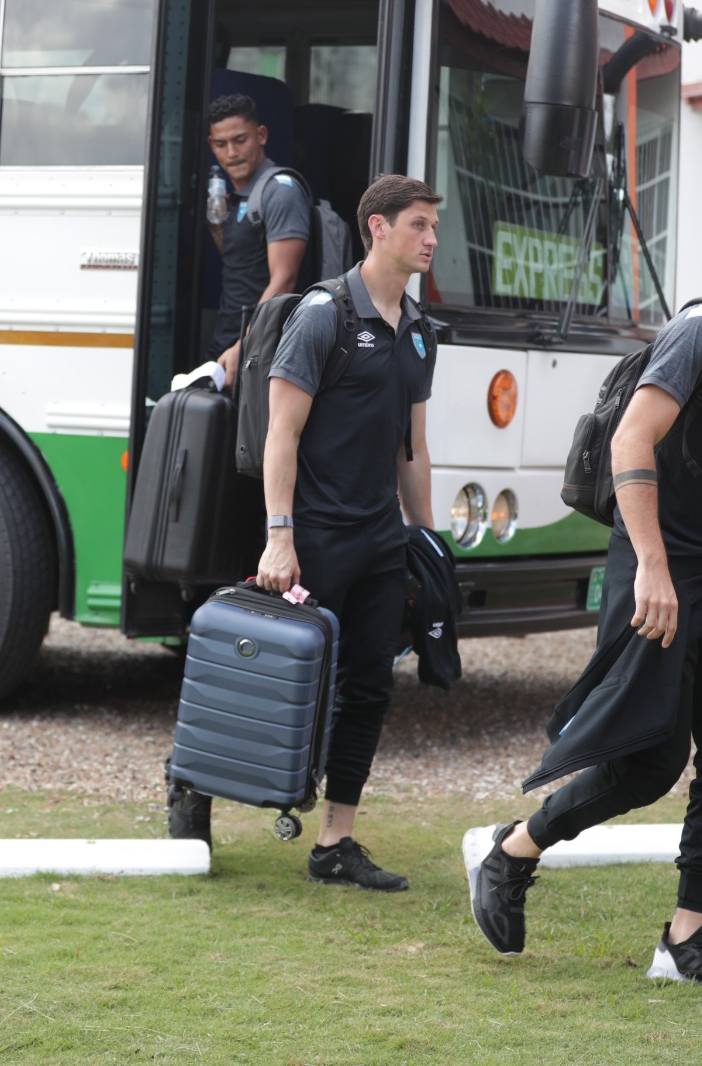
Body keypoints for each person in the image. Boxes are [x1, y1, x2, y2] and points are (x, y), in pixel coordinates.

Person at [465, 187, 702, 991]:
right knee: (648, 762)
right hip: (658, 567)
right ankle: (513, 849)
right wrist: (655, 568)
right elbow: (634, 434)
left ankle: (687, 938)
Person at [256, 173, 441, 890]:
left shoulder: (420, 333)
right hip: (313, 538)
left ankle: (337, 841)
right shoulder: (323, 315)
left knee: (368, 688)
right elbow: (281, 434)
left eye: (432, 226)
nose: (430, 239)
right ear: (378, 229)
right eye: (419, 225)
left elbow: (412, 451)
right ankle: (197, 784)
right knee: (278, 679)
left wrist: (423, 543)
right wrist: (280, 534)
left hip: (378, 541)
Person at [205, 93, 310, 388]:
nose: (231, 153)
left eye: (240, 140)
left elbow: (284, 280)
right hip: (227, 339)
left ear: (261, 135)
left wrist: (246, 347)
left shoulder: (280, 190)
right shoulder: (239, 196)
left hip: (260, 350)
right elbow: (244, 263)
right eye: (221, 144)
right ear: (211, 145)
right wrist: (217, 228)